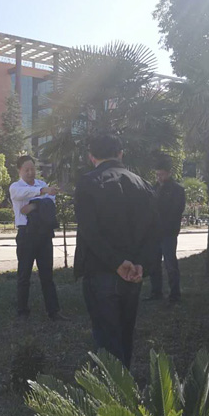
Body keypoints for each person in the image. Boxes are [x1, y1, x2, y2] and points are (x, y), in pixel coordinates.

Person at [74, 134, 157, 369]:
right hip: (133, 274)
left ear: (91, 157)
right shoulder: (143, 184)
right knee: (125, 335)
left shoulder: (88, 183)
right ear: (120, 154)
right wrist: (142, 264)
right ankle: (125, 385)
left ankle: (112, 390)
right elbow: (153, 232)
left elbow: (90, 232)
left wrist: (117, 263)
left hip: (101, 271)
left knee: (107, 341)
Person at [10, 156, 69, 321]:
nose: (30, 173)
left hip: (44, 233)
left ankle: (53, 311)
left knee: (47, 275)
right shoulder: (16, 187)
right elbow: (22, 195)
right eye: (26, 170)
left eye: (32, 169)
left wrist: (34, 205)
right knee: (24, 274)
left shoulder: (41, 184)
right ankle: (22, 311)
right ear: (20, 170)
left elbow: (50, 204)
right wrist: (42, 193)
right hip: (26, 234)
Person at [144, 155, 185, 305]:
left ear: (168, 173)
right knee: (154, 264)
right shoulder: (154, 188)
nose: (159, 177)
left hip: (168, 232)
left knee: (170, 264)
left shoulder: (177, 190)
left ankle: (175, 293)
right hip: (154, 233)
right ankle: (156, 292)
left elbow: (176, 210)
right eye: (157, 174)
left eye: (161, 174)